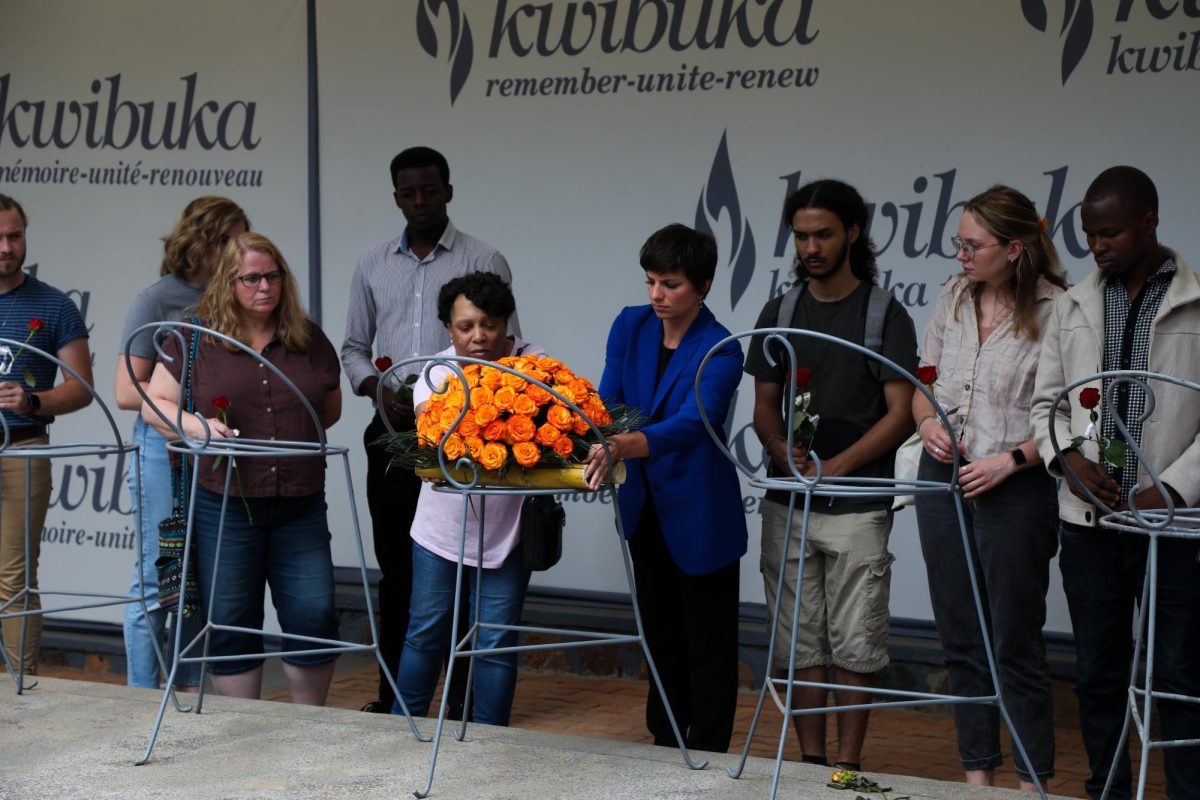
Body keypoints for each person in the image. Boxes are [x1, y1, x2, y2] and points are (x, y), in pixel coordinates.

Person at [1031, 166, 1200, 800]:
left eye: (1111, 232)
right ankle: (1106, 786)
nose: (1098, 246)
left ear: (1151, 221)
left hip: (1172, 527)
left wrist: (1175, 488)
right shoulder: (1076, 302)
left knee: (1180, 674)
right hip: (1091, 523)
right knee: (1098, 673)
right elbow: (1046, 403)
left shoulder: (1194, 298)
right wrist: (1068, 460)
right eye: (1089, 235)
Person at [744, 179, 917, 770]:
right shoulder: (780, 309)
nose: (810, 247)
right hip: (788, 500)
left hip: (860, 503)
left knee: (857, 641)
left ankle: (848, 767)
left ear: (852, 233)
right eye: (800, 235)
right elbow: (764, 404)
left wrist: (839, 466)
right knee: (798, 642)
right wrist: (778, 447)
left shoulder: (884, 312)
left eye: (822, 234)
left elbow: (901, 415)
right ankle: (809, 765)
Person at [341, 146, 519, 714]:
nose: (419, 201)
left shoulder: (484, 257)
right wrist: (377, 390)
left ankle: (465, 706)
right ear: (396, 196)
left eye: (429, 190)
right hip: (394, 437)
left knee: (470, 570)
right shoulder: (371, 262)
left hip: (473, 442)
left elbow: (506, 352)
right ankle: (397, 699)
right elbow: (353, 348)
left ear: (448, 190)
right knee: (400, 569)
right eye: (407, 193)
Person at [144, 232, 341, 705]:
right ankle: (242, 728)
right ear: (228, 282)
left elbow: (328, 406)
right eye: (250, 278)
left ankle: (309, 726)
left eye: (272, 276)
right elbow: (153, 403)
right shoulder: (195, 335)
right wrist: (196, 426)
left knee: (314, 612)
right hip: (225, 503)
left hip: (300, 501)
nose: (264, 287)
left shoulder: (307, 335)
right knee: (231, 618)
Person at [913, 186, 1066, 790]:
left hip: (1015, 489)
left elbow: (1077, 414)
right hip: (942, 482)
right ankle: (975, 780)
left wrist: (1014, 459)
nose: (961, 256)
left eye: (973, 245)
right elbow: (922, 381)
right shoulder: (953, 296)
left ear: (1016, 248)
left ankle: (1032, 783)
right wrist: (927, 424)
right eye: (959, 243)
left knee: (1014, 641)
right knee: (960, 635)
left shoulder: (1059, 310)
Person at [582, 223, 747, 753]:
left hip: (701, 511)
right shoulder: (630, 326)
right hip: (642, 505)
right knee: (660, 633)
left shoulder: (721, 347)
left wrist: (625, 445)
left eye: (670, 284)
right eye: (650, 281)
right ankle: (665, 740)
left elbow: (695, 422)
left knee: (709, 639)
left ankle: (710, 750)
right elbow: (605, 402)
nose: (656, 294)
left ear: (701, 286)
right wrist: (598, 436)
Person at [394, 271, 540, 726]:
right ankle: (402, 732)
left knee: (495, 642)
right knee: (425, 634)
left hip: (507, 534)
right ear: (448, 329)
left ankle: (490, 743)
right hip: (439, 530)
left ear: (506, 324)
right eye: (465, 327)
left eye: (490, 324)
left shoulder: (536, 364)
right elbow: (433, 429)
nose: (478, 337)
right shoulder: (436, 370)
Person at [115, 196, 249, 691]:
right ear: (203, 241)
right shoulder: (158, 299)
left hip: (216, 448)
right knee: (159, 576)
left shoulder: (237, 295)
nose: (241, 250)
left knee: (197, 579)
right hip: (162, 449)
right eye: (230, 240)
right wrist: (190, 420)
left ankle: (189, 695)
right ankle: (142, 698)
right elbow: (128, 391)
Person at [0, 194, 94, 678]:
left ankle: (18, 691)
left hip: (23, 446)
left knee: (14, 577)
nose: (5, 246)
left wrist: (32, 401)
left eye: (14, 235)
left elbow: (82, 390)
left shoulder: (54, 304)